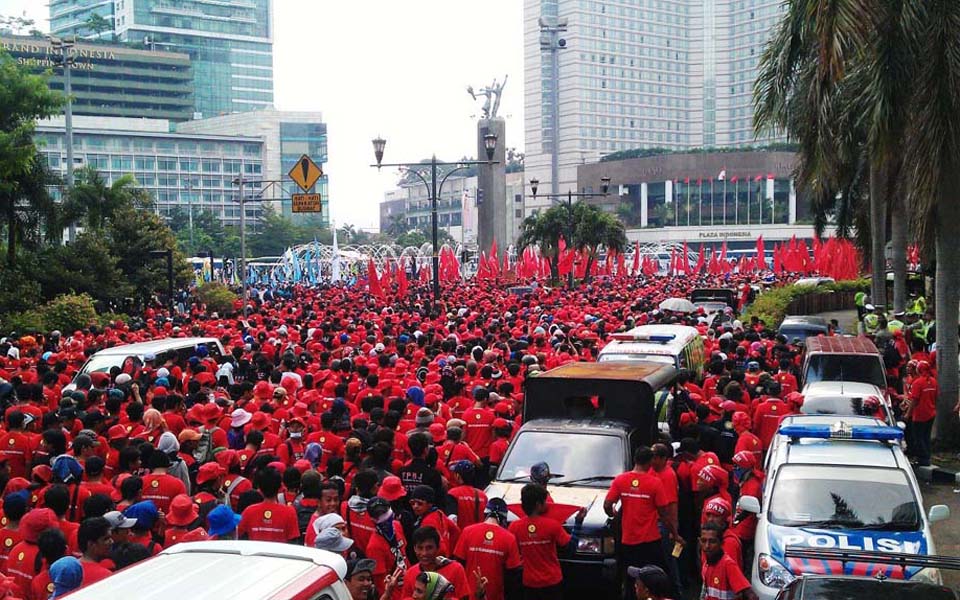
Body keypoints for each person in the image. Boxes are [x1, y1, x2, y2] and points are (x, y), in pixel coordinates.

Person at [604, 446, 680, 596]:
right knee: (655, 579)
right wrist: (675, 534)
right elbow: (665, 514)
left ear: (635, 460)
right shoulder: (655, 483)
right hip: (650, 540)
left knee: (631, 579)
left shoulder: (620, 480)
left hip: (628, 540)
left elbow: (607, 504)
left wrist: (611, 513)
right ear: (650, 461)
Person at [508, 484, 580, 600]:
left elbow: (512, 555)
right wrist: (578, 523)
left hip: (528, 583)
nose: (547, 504)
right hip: (552, 582)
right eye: (545, 502)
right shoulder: (552, 525)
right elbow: (571, 548)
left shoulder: (514, 527)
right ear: (538, 505)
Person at [453, 497, 522, 600]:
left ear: (485, 513)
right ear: (504, 518)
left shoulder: (467, 531)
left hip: (468, 594)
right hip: (495, 595)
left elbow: (458, 564)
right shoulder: (509, 538)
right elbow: (513, 575)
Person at [402, 526, 470, 600]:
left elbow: (464, 597)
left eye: (429, 548)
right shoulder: (410, 574)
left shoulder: (456, 569)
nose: (424, 553)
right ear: (414, 548)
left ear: (438, 548)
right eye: (420, 548)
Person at [237, 466, 300, 542]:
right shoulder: (290, 512)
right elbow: (294, 542)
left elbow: (239, 537)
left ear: (259, 488)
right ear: (280, 487)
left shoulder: (248, 511)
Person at [365, 496, 410, 600]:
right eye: (378, 516)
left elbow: (405, 557)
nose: (383, 519)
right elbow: (381, 585)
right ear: (372, 519)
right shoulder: (374, 547)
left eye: (384, 513)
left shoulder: (397, 526)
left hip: (408, 586)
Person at [699, 522, 757, 600]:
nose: (707, 546)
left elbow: (750, 594)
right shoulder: (706, 564)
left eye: (712, 541)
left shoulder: (728, 564)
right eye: (703, 541)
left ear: (721, 543)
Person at [77, 516, 114, 586]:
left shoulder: (70, 570)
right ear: (91, 544)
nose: (111, 542)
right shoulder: (105, 576)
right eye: (106, 539)